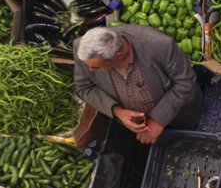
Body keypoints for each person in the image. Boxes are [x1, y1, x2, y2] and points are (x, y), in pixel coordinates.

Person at [74, 25, 203, 144]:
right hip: (136, 126)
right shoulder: (81, 48)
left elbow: (185, 81)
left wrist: (159, 119)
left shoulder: (160, 45)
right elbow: (85, 87)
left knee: (188, 141)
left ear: (118, 56)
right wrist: (117, 111)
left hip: (178, 115)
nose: (90, 69)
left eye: (96, 67)